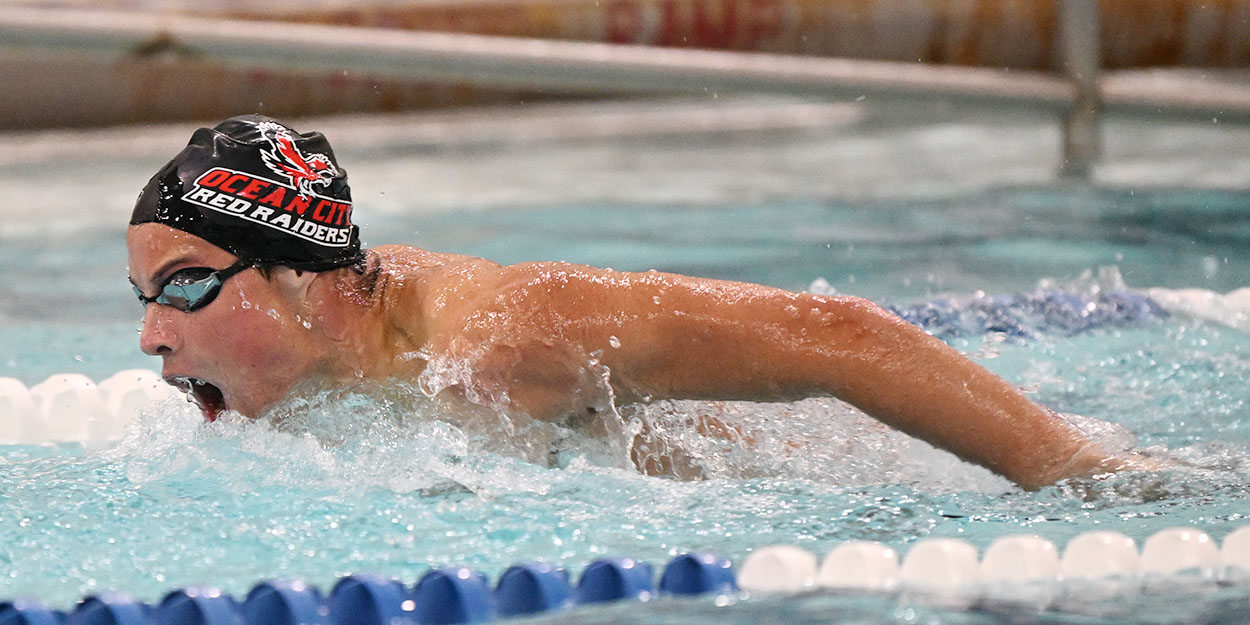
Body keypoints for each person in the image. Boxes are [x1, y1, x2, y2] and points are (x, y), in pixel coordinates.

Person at [128, 115, 1127, 490]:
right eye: (142, 298)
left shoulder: (502, 342)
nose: (149, 337)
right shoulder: (350, 337)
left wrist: (1076, 471)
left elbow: (839, 332)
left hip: (854, 484)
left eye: (183, 287)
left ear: (301, 278)